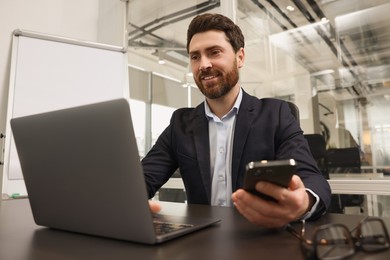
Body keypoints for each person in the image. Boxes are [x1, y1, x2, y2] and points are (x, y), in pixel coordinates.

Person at [142, 13, 331, 228]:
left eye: (214, 52)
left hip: (260, 240)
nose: (203, 64)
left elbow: (313, 179)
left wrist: (303, 202)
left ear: (240, 57)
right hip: (201, 243)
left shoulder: (276, 114)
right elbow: (144, 177)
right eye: (195, 56)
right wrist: (127, 200)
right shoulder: (180, 124)